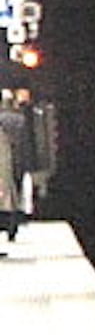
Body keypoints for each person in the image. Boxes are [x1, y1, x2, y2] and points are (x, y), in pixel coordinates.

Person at [0, 90, 23, 243]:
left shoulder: (1, 119)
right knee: (13, 196)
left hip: (5, 161)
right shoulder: (20, 119)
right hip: (13, 161)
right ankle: (12, 229)